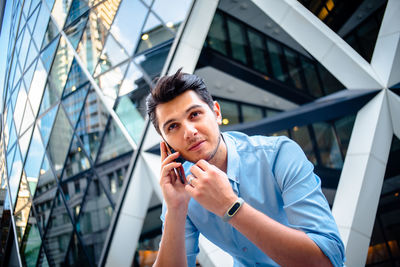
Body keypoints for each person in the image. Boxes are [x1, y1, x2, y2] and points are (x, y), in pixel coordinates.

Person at [146, 68, 345, 267]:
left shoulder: (277, 155)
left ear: (216, 112)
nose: (189, 132)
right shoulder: (180, 190)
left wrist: (230, 206)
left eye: (195, 114)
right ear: (166, 143)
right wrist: (175, 209)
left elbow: (327, 261)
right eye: (173, 127)